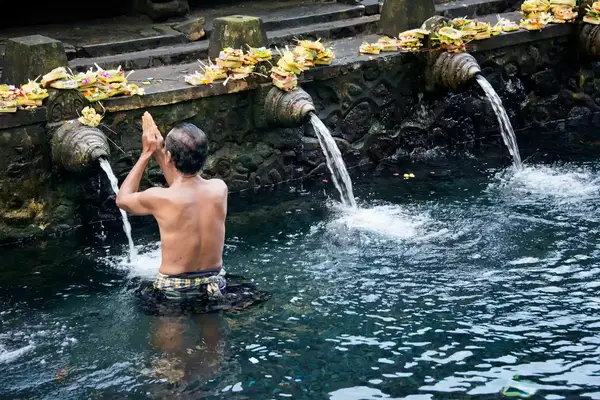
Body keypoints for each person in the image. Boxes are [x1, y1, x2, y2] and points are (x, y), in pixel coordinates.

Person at [116, 112, 228, 301]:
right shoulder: (219, 189)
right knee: (213, 331)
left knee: (168, 331)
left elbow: (122, 200)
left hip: (174, 287)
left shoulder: (159, 197)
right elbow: (180, 185)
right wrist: (162, 150)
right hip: (214, 283)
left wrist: (147, 153)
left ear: (169, 158)